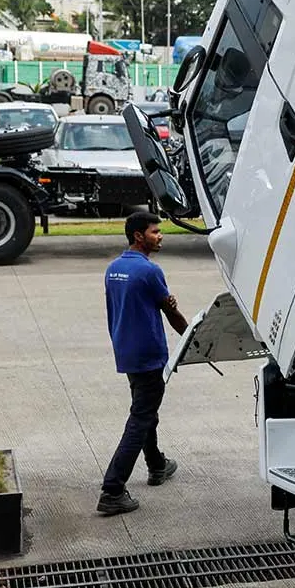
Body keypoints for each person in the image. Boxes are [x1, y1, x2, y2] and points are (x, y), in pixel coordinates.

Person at [97, 212, 189, 515]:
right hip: (149, 355)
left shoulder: (114, 269)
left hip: (126, 352)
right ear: (139, 236)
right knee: (140, 418)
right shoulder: (150, 271)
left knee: (145, 410)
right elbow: (170, 313)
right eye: (155, 231)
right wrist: (192, 337)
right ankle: (112, 490)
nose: (160, 235)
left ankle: (157, 465)